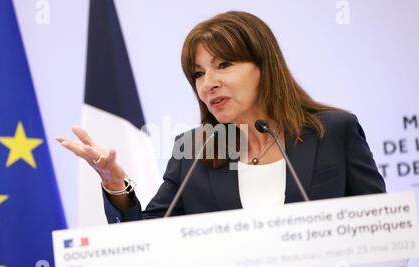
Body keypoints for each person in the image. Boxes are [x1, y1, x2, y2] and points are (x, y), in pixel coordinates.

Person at [57, 11, 386, 224]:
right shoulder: (194, 153)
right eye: (198, 73)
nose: (208, 83)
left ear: (263, 66)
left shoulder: (334, 132)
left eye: (224, 65)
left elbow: (382, 225)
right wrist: (116, 186)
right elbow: (147, 240)